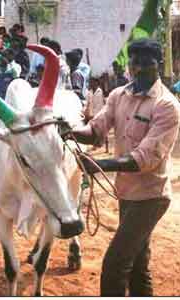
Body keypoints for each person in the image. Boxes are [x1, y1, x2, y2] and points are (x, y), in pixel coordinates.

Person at [65, 38, 180, 296]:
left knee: (115, 265)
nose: (138, 69)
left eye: (145, 63)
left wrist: (98, 165)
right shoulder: (118, 95)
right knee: (138, 264)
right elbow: (95, 131)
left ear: (158, 65)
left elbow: (144, 159)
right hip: (126, 193)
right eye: (134, 62)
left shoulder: (167, 106)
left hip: (151, 197)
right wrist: (69, 131)